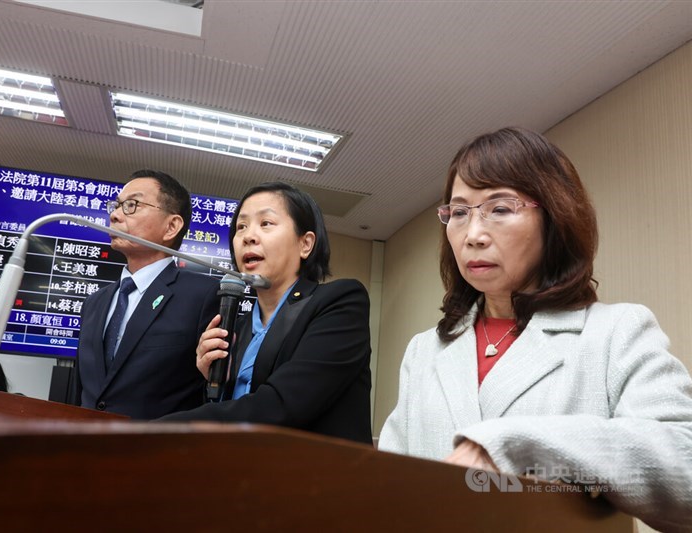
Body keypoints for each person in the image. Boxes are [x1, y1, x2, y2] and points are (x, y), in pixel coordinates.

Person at [378, 127, 692, 531]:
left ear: (555, 216)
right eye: (458, 213)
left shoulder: (616, 333)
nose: (473, 235)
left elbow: (684, 466)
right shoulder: (425, 349)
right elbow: (387, 487)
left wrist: (521, 446)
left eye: (501, 208)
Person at [162, 182, 373, 444]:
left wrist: (166, 427)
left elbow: (282, 405)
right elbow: (232, 411)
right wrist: (213, 382)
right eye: (241, 227)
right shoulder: (235, 329)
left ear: (305, 244)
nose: (248, 236)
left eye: (266, 224)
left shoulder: (340, 302)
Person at [74, 169, 219, 419]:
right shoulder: (94, 302)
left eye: (132, 205)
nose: (115, 215)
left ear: (171, 226)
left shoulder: (204, 295)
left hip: (157, 451)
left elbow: (212, 390)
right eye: (116, 205)